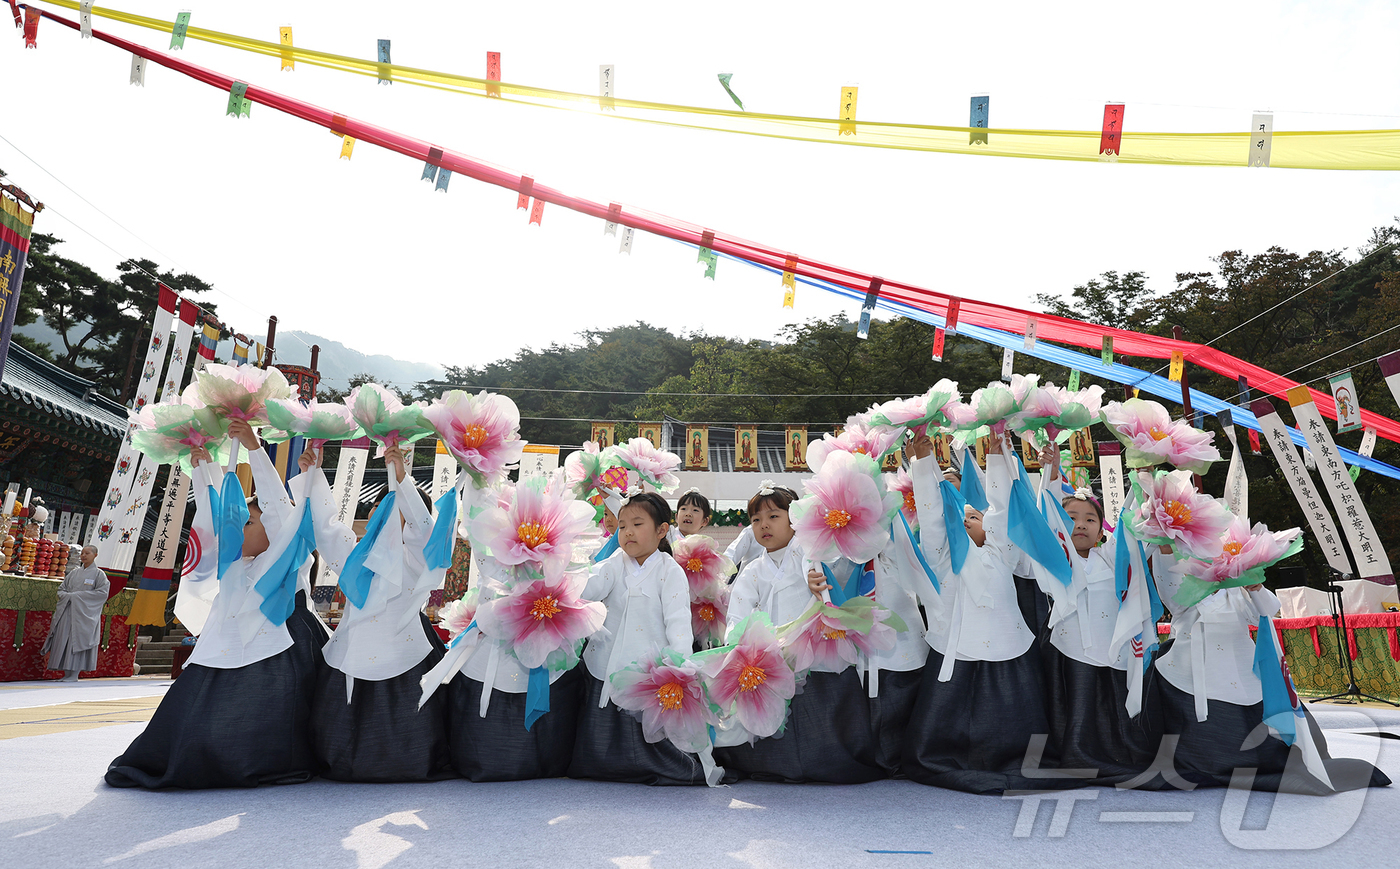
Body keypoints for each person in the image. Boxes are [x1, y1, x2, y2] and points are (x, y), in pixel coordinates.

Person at [105, 442, 318, 789]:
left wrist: (255, 450)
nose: (241, 529)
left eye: (251, 523)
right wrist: (203, 468)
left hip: (272, 655)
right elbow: (219, 514)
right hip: (222, 651)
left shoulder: (290, 562)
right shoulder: (236, 567)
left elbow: (280, 513)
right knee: (188, 720)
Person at [901, 432, 1079, 794]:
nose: (965, 520)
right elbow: (934, 517)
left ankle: (1012, 761)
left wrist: (998, 457)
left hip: (1009, 650)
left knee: (1016, 729)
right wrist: (923, 463)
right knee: (942, 739)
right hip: (956, 649)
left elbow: (1002, 507)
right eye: (960, 517)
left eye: (974, 514)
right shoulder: (942, 559)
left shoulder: (1003, 552)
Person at [715, 482, 912, 783]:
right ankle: (776, 764)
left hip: (815, 649)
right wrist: (736, 643)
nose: (764, 525)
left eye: (774, 516)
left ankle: (827, 762)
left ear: (795, 519)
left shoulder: (810, 553)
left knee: (820, 711)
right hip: (770, 655)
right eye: (756, 520)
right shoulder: (753, 569)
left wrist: (815, 578)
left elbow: (827, 566)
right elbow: (738, 611)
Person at [1148, 556, 1390, 793]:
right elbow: (1176, 604)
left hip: (1241, 661)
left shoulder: (1233, 579)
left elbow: (1266, 611)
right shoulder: (1173, 559)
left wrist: (1255, 586)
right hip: (1192, 663)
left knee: (1270, 727)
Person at [301, 442, 452, 783]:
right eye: (376, 507)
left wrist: (402, 481)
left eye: (392, 508)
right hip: (351, 655)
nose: (378, 514)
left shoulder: (417, 559)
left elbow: (425, 532)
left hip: (405, 656)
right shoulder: (354, 556)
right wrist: (313, 476)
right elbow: (326, 528)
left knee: (408, 733)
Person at [570, 493, 705, 785]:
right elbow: (587, 588)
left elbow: (678, 621)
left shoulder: (670, 570)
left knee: (648, 731)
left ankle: (654, 766)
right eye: (622, 525)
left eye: (637, 523)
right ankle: (600, 765)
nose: (627, 531)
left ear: (661, 530)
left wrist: (679, 666)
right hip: (606, 661)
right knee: (600, 725)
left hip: (649, 669)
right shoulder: (615, 563)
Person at [41, 545, 108, 682]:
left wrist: (77, 596)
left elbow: (102, 594)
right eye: (82, 553)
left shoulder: (99, 574)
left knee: (76, 641)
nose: (83, 555)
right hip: (68, 612)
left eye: (87, 553)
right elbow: (62, 589)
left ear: (95, 555)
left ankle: (74, 674)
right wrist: (68, 597)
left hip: (84, 615)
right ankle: (67, 673)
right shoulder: (74, 573)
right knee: (64, 640)